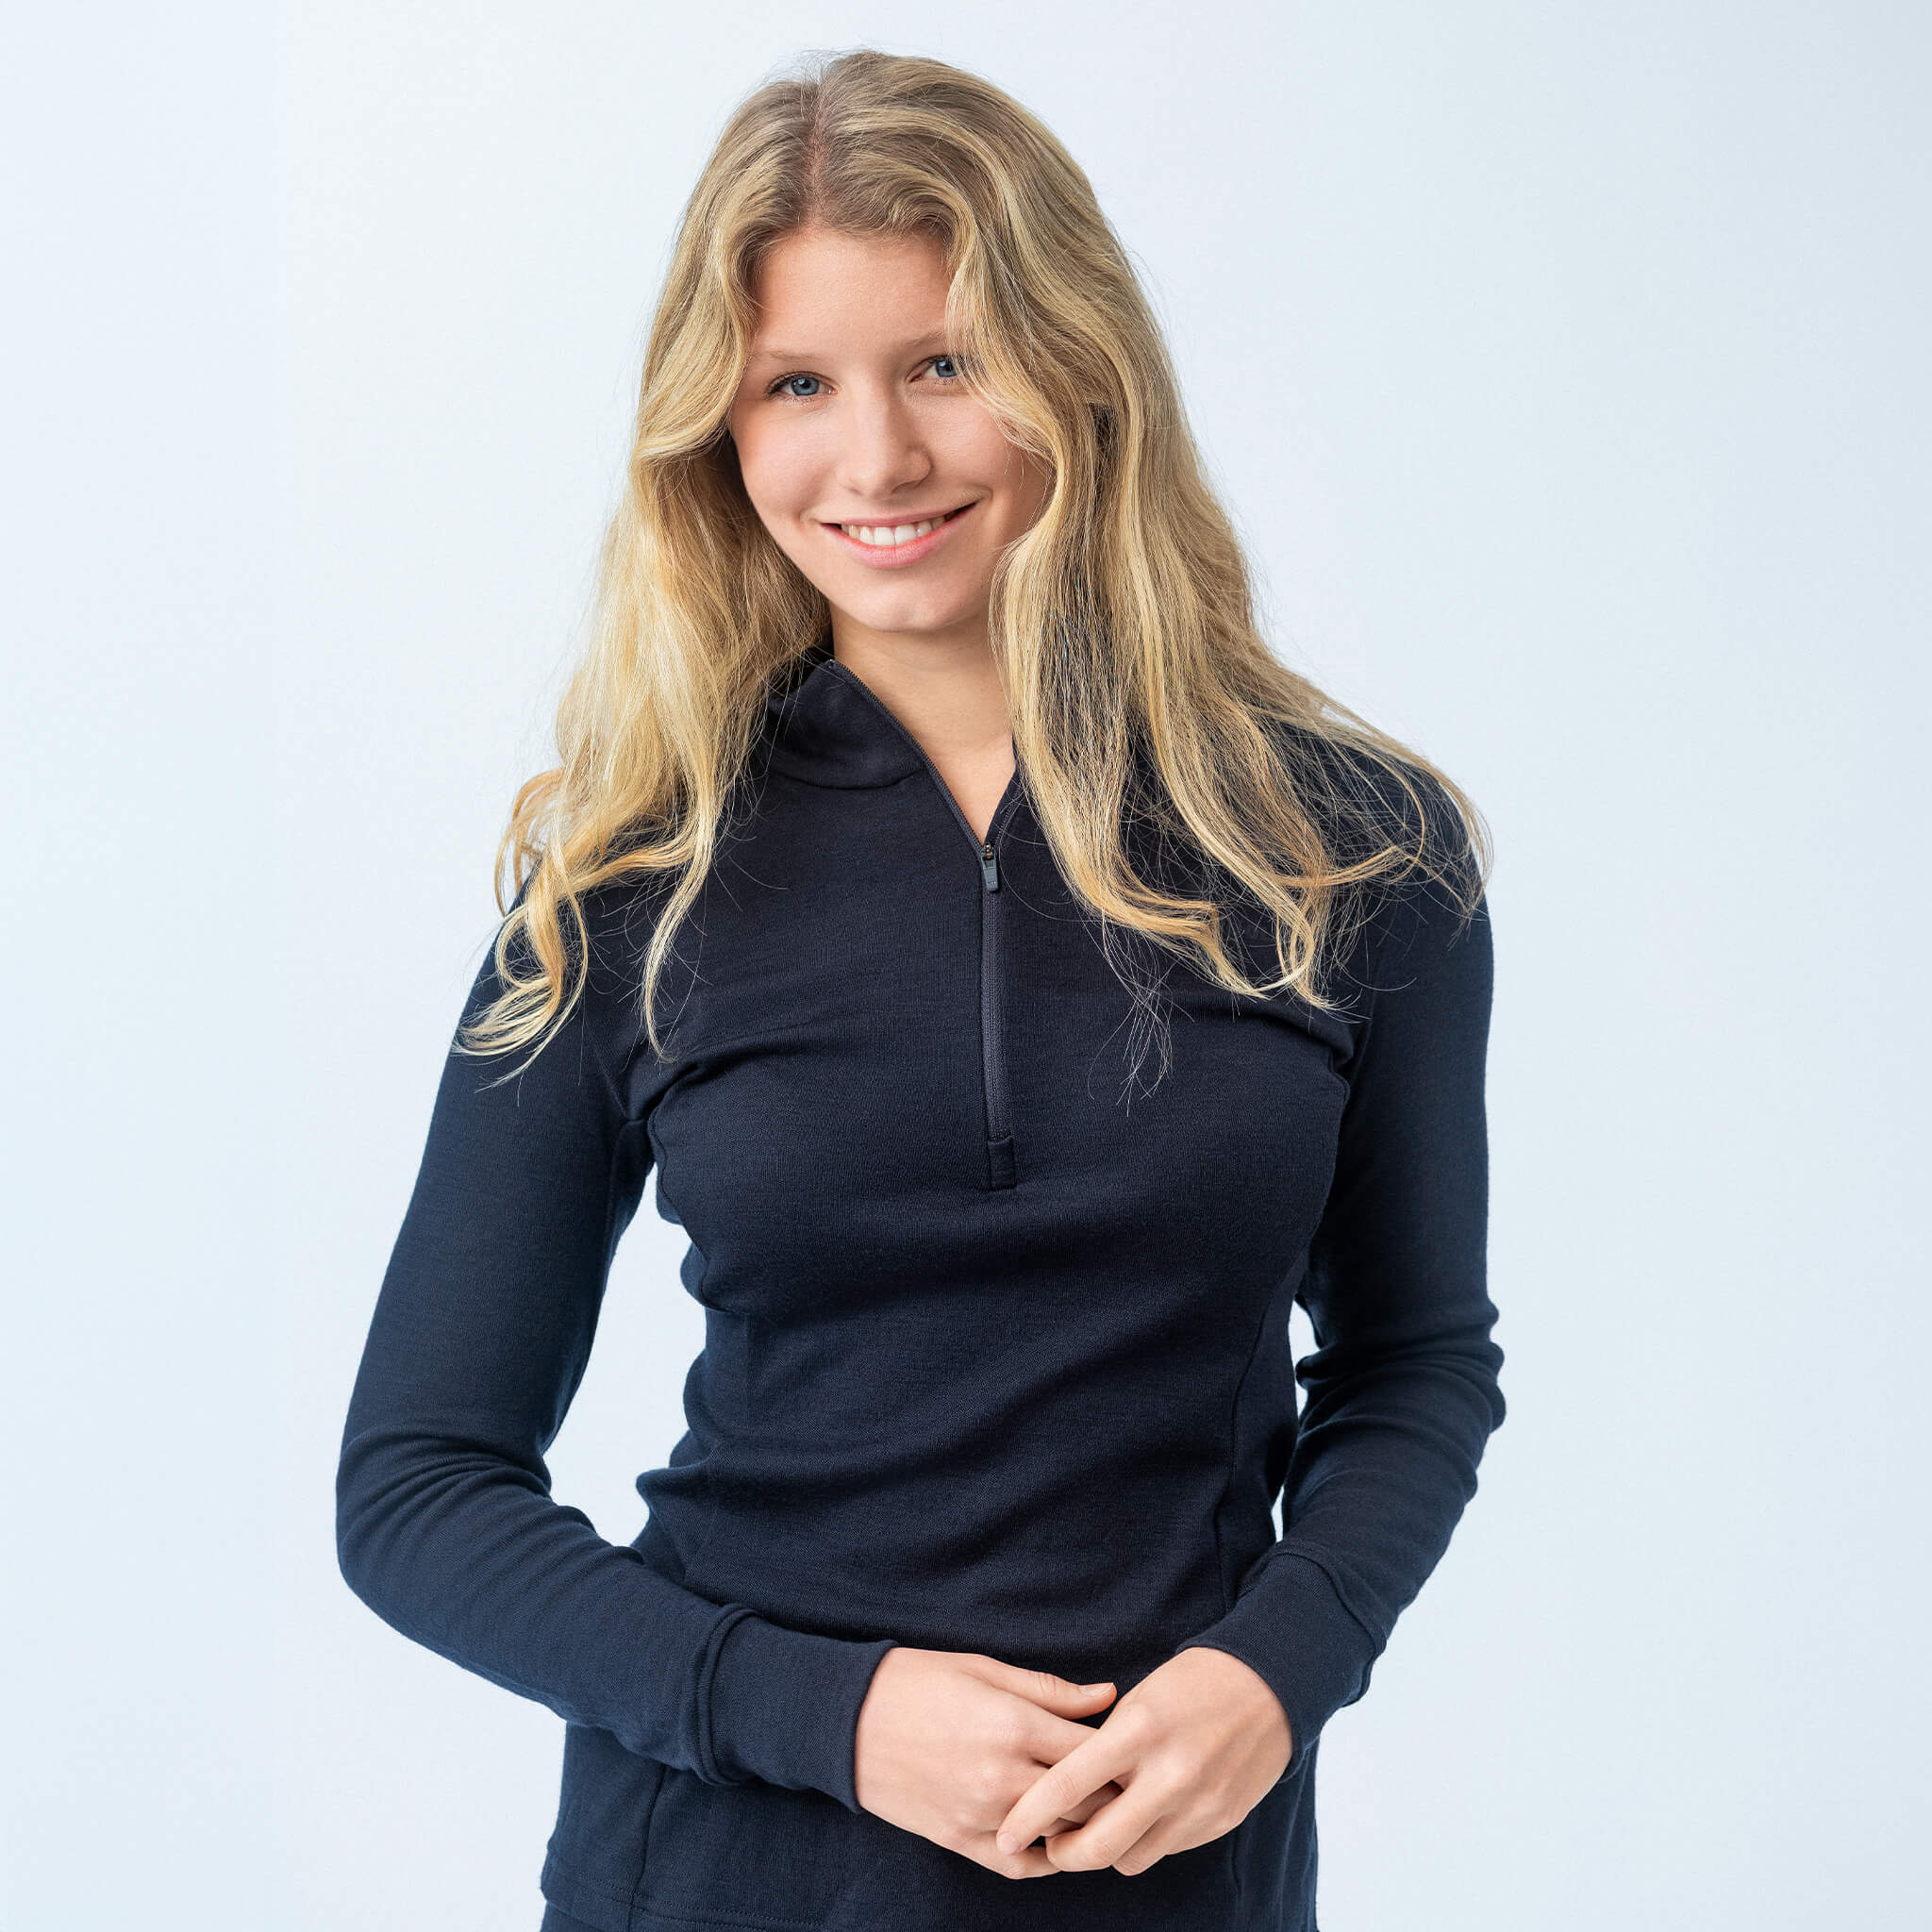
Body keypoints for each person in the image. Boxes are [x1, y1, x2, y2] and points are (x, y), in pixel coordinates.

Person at [335, 46, 1506, 1932]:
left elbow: (1413, 1361)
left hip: (1173, 1883)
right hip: (724, 1871)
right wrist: (837, 1714)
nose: (873, 459)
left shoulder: (1353, 852)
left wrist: (1280, 1662)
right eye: (797, 384)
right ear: (718, 430)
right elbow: (416, 1490)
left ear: (1077, 369)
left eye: (943, 364)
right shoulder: (630, 878)